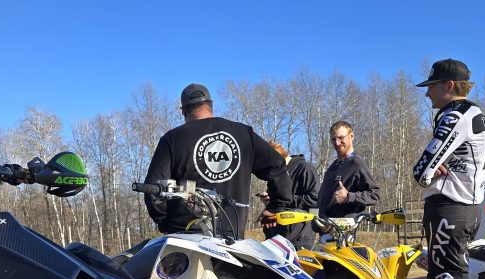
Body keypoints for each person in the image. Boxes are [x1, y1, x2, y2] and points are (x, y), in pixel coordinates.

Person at [144, 83, 292, 239]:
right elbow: (277, 166)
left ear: (183, 111)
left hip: (184, 239)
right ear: (211, 104)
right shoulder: (243, 134)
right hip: (232, 240)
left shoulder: (172, 139)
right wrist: (276, 206)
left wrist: (165, 224)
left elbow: (153, 189)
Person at [411, 58, 485, 279]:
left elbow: (421, 171)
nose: (427, 93)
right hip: (466, 207)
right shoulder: (476, 113)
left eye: (431, 86)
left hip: (450, 207)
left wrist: (428, 172)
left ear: (449, 85)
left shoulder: (456, 116)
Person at [259, 141, 318, 248]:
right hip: (275, 238)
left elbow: (315, 199)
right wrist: (270, 202)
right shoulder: (276, 173)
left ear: (276, 158)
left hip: (298, 238)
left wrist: (283, 199)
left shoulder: (305, 169)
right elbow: (278, 204)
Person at [317, 121, 380, 218]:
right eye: (333, 139)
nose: (337, 143)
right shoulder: (332, 167)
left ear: (351, 136)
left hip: (343, 226)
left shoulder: (356, 163)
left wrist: (348, 197)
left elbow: (374, 195)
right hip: (324, 225)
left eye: (341, 138)